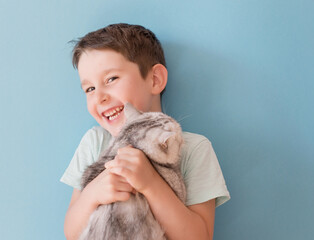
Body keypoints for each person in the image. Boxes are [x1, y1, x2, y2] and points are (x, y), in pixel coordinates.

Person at [60, 23, 230, 240]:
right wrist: (92, 195)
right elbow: (71, 234)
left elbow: (200, 237)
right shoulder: (95, 142)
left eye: (111, 79)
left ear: (155, 79)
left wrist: (150, 183)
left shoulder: (193, 148)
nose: (99, 97)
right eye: (89, 89)